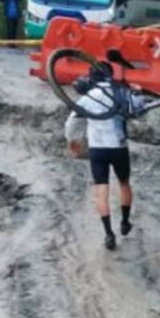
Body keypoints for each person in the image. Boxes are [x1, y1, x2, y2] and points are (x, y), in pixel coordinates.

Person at [64, 54, 148, 251]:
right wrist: (138, 92)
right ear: (111, 75)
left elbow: (71, 123)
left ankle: (108, 233)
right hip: (119, 147)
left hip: (98, 149)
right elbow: (138, 107)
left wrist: (72, 141)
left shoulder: (87, 98)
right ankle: (125, 222)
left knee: (101, 190)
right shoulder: (121, 91)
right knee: (124, 183)